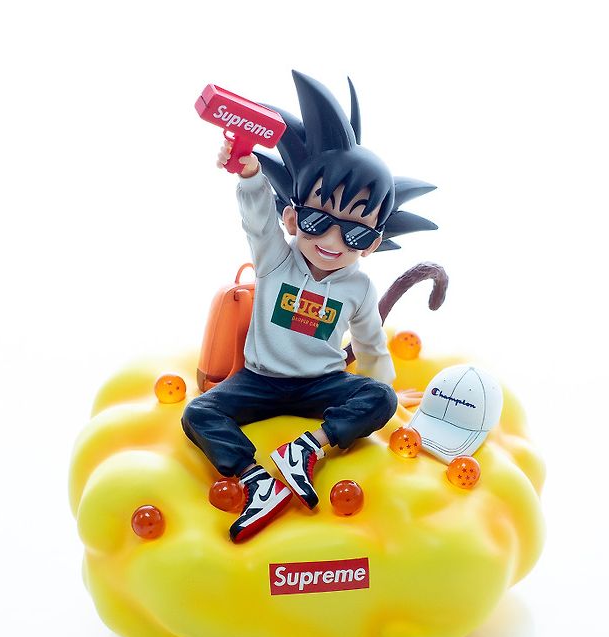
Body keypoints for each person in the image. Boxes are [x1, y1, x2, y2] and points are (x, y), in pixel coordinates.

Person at [182, 71, 438, 542]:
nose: (333, 241)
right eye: (320, 220)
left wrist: (385, 397)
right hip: (259, 381)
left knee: (379, 399)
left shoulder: (358, 288)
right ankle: (257, 481)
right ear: (292, 217)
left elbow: (371, 345)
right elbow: (256, 220)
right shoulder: (275, 259)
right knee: (198, 414)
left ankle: (304, 450)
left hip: (321, 384)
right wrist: (249, 173)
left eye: (355, 231)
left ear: (372, 243)